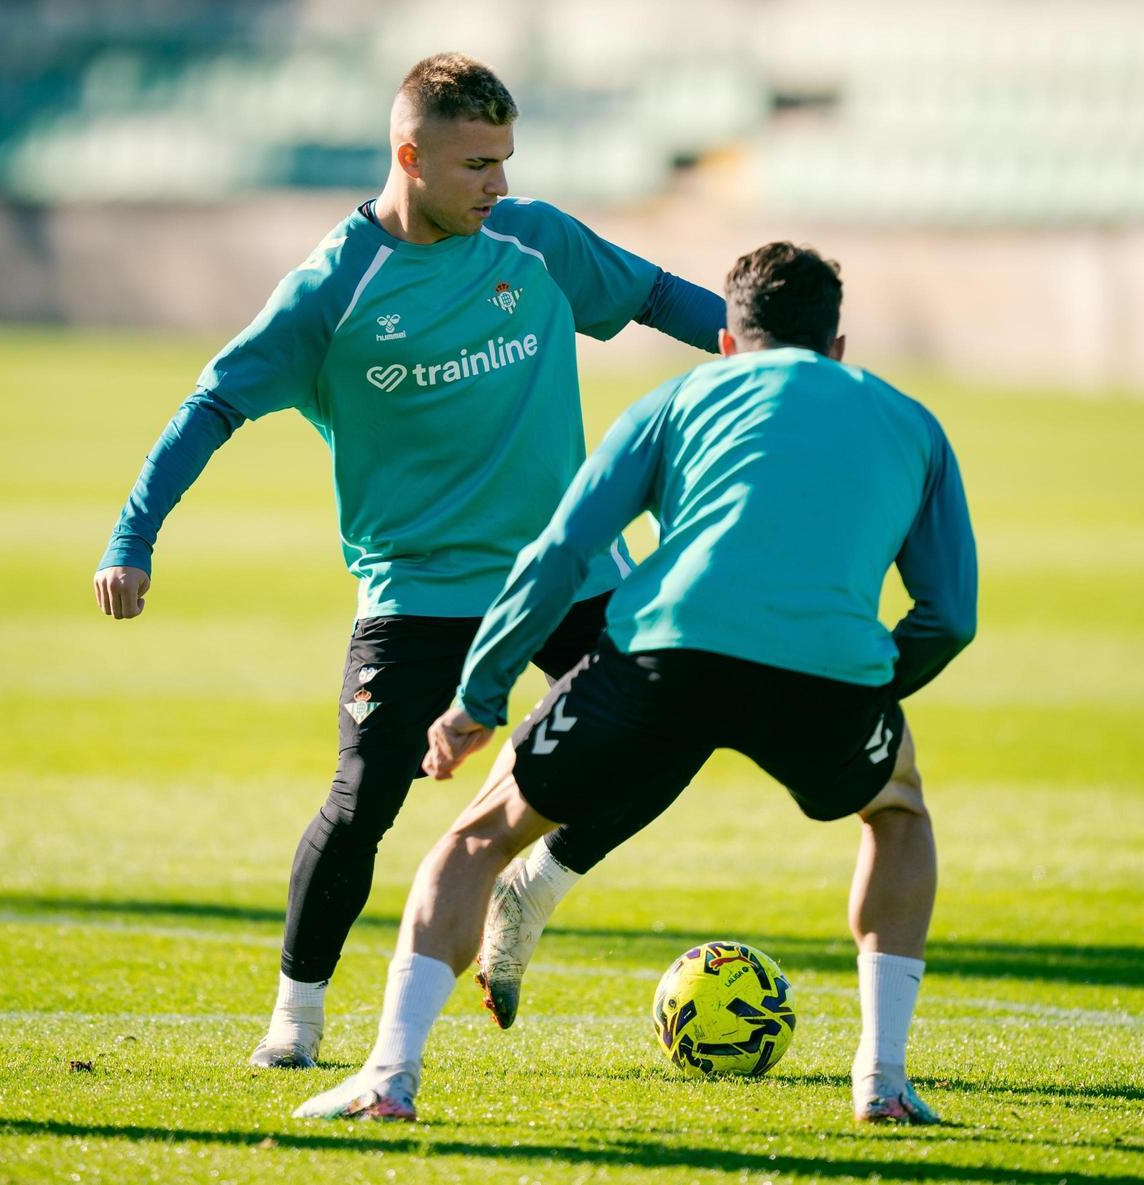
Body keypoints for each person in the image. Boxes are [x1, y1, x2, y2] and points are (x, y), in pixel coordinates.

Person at [93, 53, 725, 1070]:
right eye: (478, 163)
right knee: (362, 801)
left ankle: (535, 884)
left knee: (670, 724)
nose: (499, 185)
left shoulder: (535, 240)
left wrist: (789, 354)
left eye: (505, 160)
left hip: (569, 571)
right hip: (418, 584)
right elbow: (209, 406)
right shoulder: (330, 292)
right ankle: (295, 1020)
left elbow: (662, 299)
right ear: (410, 156)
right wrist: (133, 537)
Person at [293, 242, 978, 1125]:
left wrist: (479, 698)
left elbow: (559, 554)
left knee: (477, 838)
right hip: (828, 674)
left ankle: (389, 1076)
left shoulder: (680, 398)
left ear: (727, 342)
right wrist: (878, 685)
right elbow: (948, 614)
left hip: (662, 654)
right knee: (897, 811)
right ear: (837, 347)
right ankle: (881, 1081)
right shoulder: (909, 421)